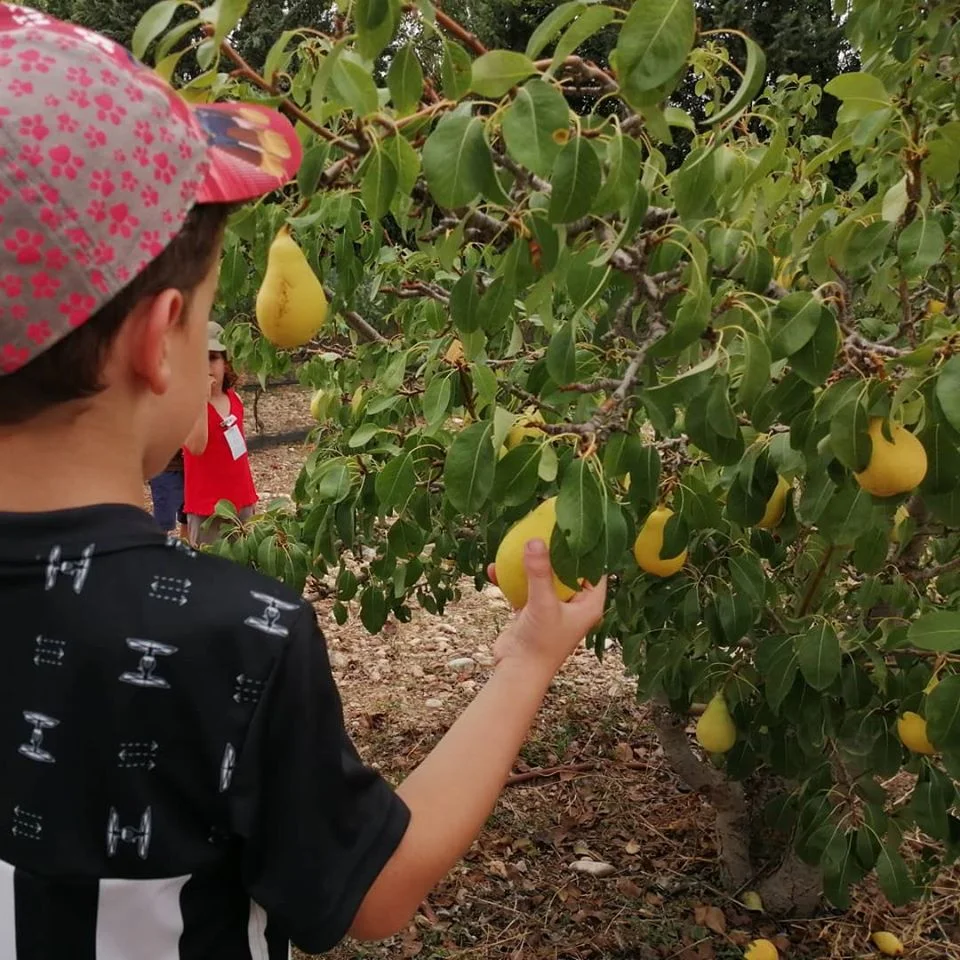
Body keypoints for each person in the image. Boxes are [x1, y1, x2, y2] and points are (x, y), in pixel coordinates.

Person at [0, 6, 607, 958]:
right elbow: (375, 891)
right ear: (161, 343)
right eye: (208, 318)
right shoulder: (230, 636)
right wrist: (528, 657)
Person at [182, 321, 258, 546]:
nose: (206, 366)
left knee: (245, 563)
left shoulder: (235, 399)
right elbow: (195, 447)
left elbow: (239, 455)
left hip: (242, 501)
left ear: (225, 363)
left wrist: (250, 499)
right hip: (207, 510)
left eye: (213, 358)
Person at [147, 450, 186, 537]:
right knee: (163, 524)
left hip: (191, 467)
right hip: (167, 468)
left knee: (187, 519)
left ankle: (185, 548)